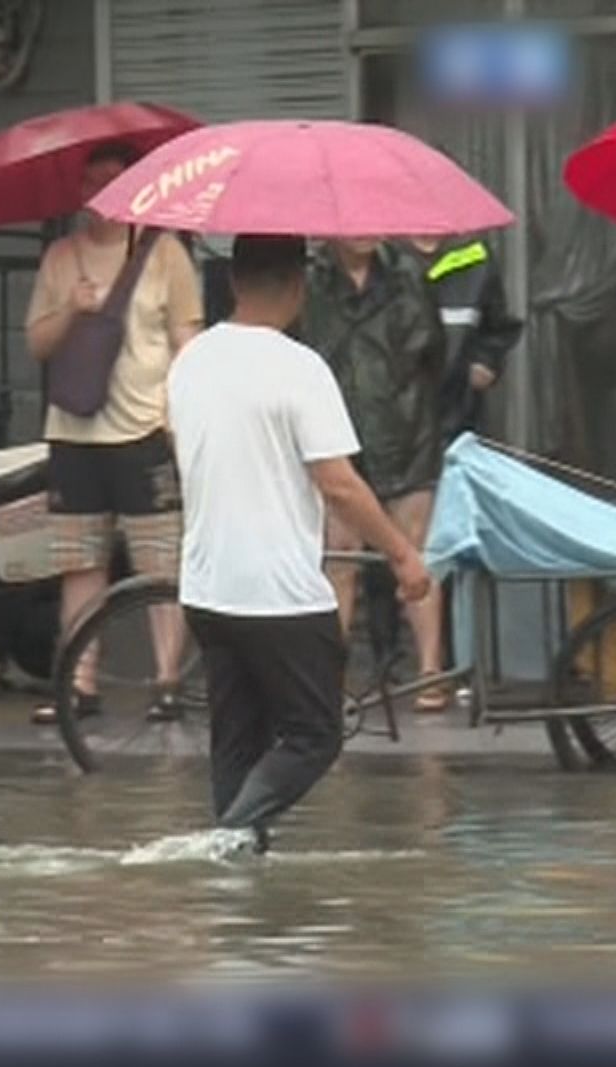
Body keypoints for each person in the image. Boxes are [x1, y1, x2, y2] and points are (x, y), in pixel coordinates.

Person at [167, 235, 432, 850]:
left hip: (207, 588)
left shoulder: (193, 360)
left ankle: (237, 875)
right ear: (299, 286)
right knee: (316, 735)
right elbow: (338, 484)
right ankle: (230, 839)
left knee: (236, 740)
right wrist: (401, 552)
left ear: (233, 281)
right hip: (279, 593)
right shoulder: (300, 368)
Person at [25, 142, 205, 723]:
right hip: (74, 433)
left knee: (160, 563)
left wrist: (184, 416)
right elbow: (37, 343)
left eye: (115, 182)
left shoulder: (164, 254)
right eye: (93, 183)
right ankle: (81, 683)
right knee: (80, 562)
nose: (102, 196)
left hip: (144, 430)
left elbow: (188, 341)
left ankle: (167, 681)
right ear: (80, 193)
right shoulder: (60, 257)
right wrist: (72, 309)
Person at [298, 236, 449, 710]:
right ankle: (332, 675)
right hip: (336, 432)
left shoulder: (408, 275)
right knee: (340, 557)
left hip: (407, 430)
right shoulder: (312, 279)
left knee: (415, 552)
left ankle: (430, 670)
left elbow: (434, 352)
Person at [403, 234, 522, 441]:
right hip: (390, 426)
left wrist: (486, 361)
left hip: (458, 420)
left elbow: (498, 325)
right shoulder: (381, 257)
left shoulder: (476, 257)